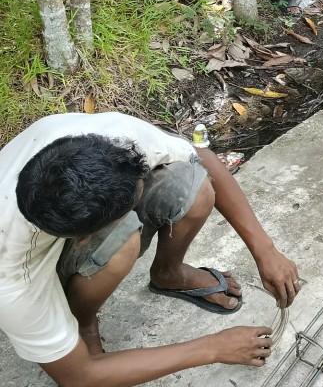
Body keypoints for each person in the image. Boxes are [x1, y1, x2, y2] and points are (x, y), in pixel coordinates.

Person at [0, 112, 302, 386]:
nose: (147, 182)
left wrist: (266, 250)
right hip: (29, 253)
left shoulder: (105, 139)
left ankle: (169, 273)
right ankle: (81, 317)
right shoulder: (12, 283)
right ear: (83, 239)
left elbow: (200, 156)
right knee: (123, 242)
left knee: (190, 183)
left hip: (49, 217)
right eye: (137, 193)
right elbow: (80, 377)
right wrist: (213, 348)